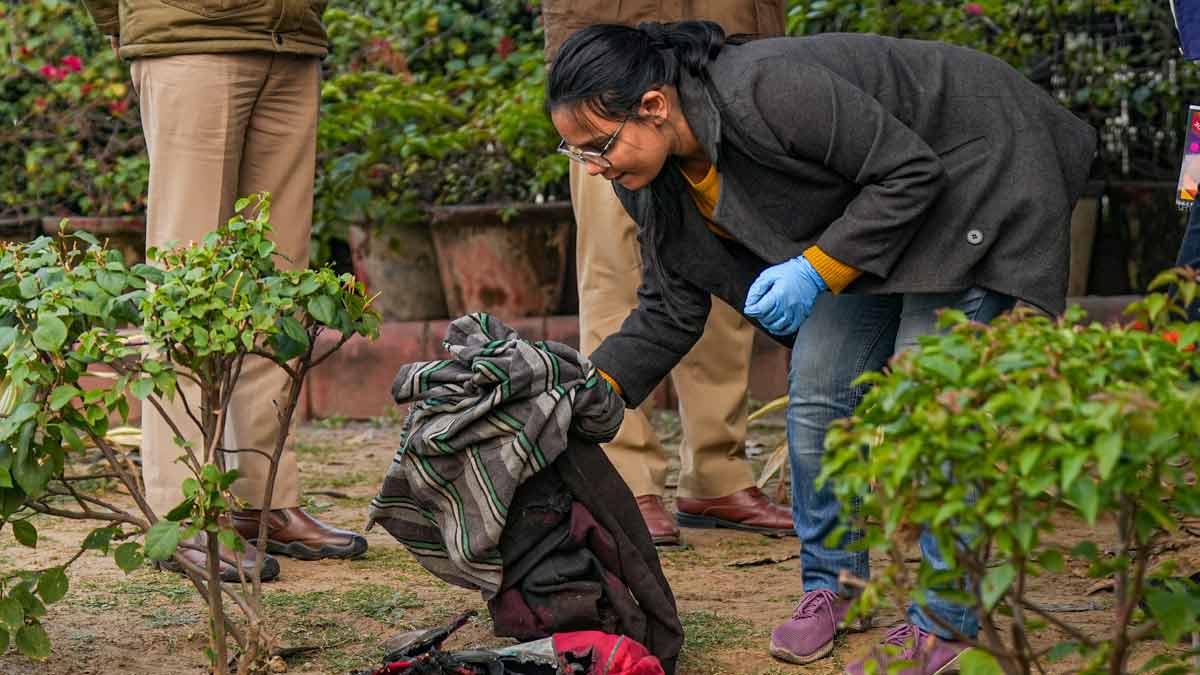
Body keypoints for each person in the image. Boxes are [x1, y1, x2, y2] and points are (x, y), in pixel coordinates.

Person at [546, 21, 1096, 674]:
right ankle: (836, 585)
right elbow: (672, 304)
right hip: (883, 212)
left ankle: (949, 618)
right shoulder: (648, 183)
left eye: (599, 145)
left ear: (655, 106)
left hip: (976, 166)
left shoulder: (764, 90)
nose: (596, 164)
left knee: (937, 400)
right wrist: (590, 390)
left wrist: (814, 269)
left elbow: (911, 170)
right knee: (818, 389)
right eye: (577, 153)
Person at [80, 0, 366, 582]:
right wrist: (121, 23)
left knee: (278, 287)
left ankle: (266, 497)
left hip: (292, 41)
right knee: (187, 285)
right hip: (188, 35)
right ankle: (181, 514)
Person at [541, 1, 794, 547]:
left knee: (726, 260)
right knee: (614, 272)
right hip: (603, 60)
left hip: (717, 39)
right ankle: (625, 479)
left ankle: (718, 471)